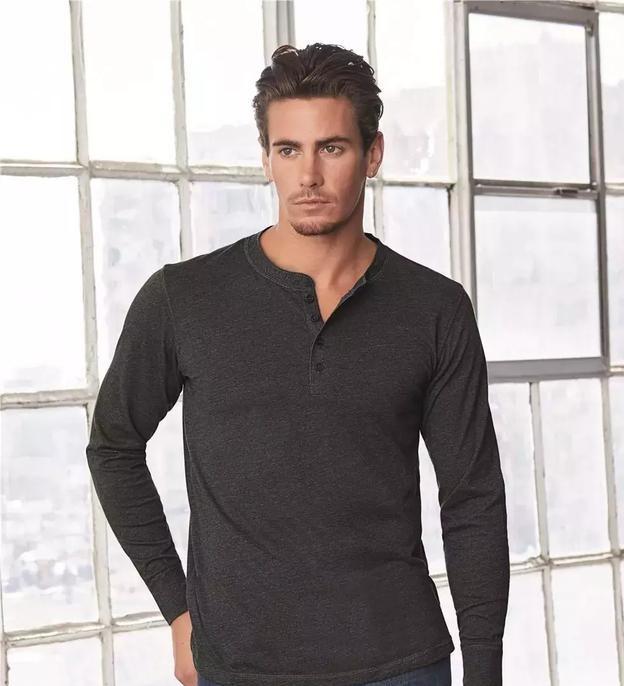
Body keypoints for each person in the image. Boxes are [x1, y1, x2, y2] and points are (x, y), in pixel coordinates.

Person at [86, 42, 510, 686]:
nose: (308, 175)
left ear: (373, 153)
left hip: (401, 663)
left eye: (331, 148)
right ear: (266, 160)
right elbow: (113, 446)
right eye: (288, 150)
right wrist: (178, 609)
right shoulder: (184, 298)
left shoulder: (434, 308)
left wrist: (484, 669)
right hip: (239, 665)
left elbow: (472, 495)